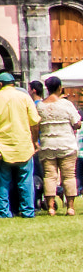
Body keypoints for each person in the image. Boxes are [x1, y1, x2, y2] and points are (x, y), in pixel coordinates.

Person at [0, 71, 41, 218]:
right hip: (23, 144)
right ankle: (28, 211)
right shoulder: (25, 97)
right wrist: (34, 140)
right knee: (25, 181)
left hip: (2, 146)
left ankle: (4, 211)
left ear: (0, 84)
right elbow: (35, 122)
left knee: (2, 181)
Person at [36, 76, 80, 215]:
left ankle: (50, 207)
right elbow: (77, 123)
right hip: (66, 143)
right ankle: (70, 207)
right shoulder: (66, 104)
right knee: (68, 176)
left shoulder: (40, 106)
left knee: (49, 176)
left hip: (47, 143)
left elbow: (35, 124)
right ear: (60, 88)